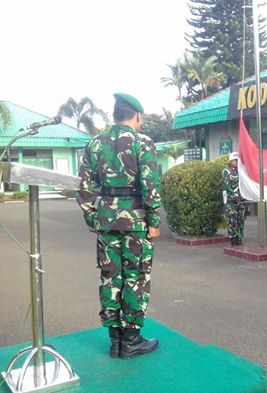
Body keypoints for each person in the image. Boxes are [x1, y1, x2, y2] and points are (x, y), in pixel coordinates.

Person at [77, 93, 161, 359]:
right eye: (141, 118)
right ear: (136, 115)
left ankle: (115, 342)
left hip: (106, 218)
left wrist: (92, 217)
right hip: (136, 222)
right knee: (135, 278)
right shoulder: (143, 142)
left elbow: (84, 186)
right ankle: (132, 341)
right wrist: (154, 221)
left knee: (110, 276)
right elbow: (150, 185)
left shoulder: (94, 143)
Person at [222, 152, 246, 246]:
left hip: (241, 201)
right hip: (231, 202)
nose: (236, 162)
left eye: (237, 160)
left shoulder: (241, 171)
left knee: (241, 220)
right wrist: (234, 195)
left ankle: (239, 237)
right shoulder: (227, 171)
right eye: (234, 160)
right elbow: (226, 186)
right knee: (232, 221)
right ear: (230, 161)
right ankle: (233, 238)